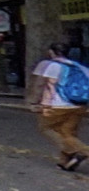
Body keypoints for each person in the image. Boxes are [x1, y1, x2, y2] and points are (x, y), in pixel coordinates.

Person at [31, 42, 89, 171]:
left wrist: (34, 102)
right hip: (79, 105)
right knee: (67, 133)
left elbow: (41, 85)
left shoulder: (51, 65)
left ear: (51, 52)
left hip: (57, 105)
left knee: (46, 128)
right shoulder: (79, 66)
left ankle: (81, 152)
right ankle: (65, 163)